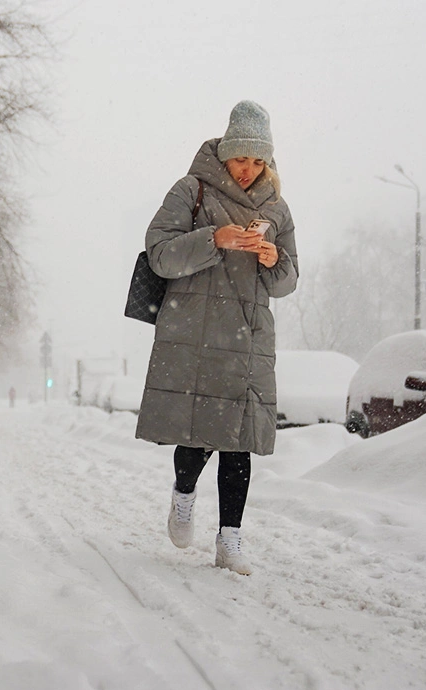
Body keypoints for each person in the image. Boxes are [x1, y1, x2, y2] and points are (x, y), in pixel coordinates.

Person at [135, 100, 299, 575]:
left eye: (257, 160)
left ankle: (230, 540)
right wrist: (215, 239)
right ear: (224, 153)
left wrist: (273, 260)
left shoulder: (278, 208)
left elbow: (288, 281)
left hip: (248, 336)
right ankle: (184, 495)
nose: (247, 170)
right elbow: (160, 253)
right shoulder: (192, 190)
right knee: (197, 430)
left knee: (239, 439)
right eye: (240, 158)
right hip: (195, 331)